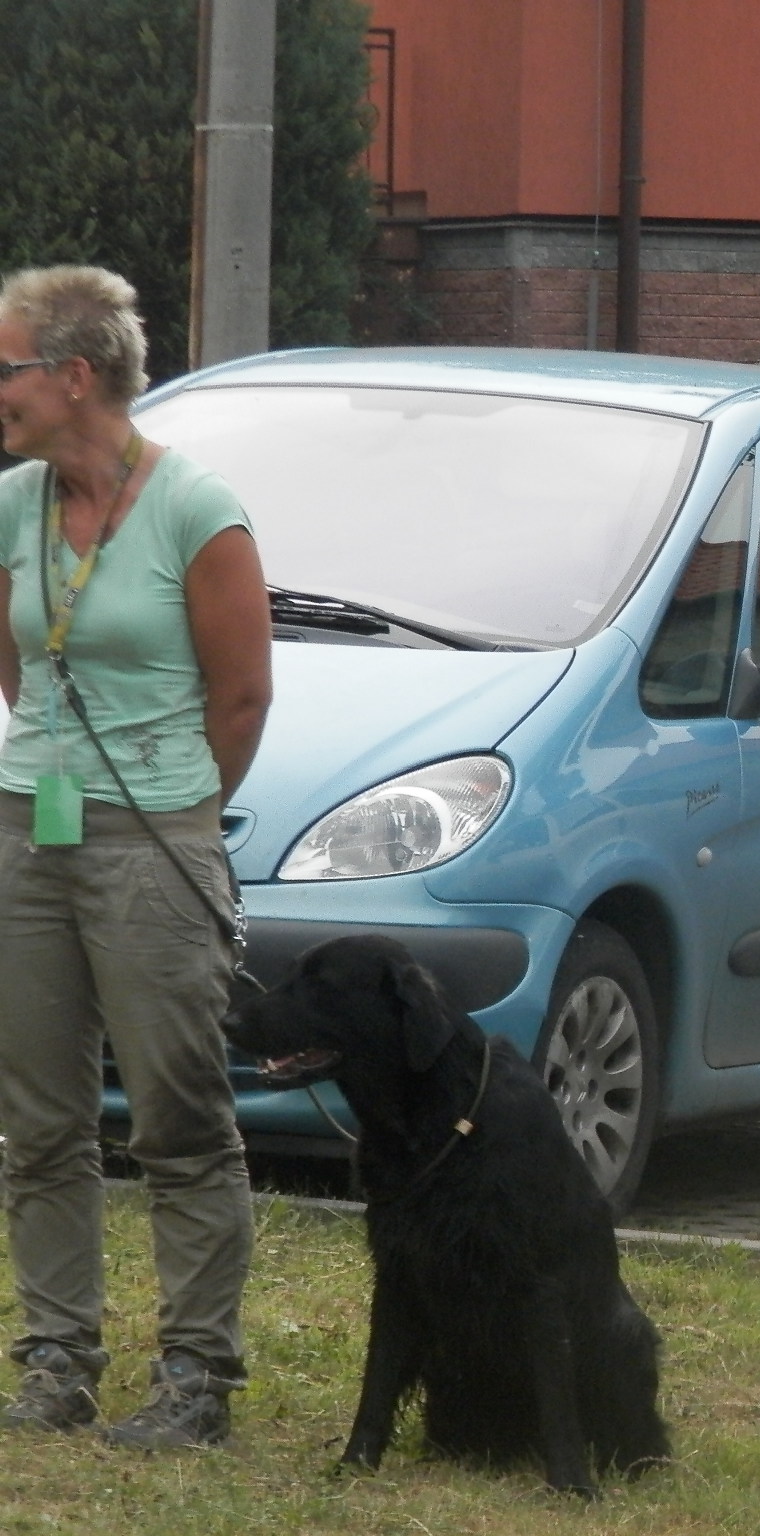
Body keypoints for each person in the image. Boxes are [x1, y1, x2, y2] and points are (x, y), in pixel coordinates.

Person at [0, 266, 271, 1446]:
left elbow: (244, 696)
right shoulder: (11, 503)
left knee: (176, 1115)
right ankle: (57, 1359)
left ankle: (196, 1379)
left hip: (153, 844)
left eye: (6, 367)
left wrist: (172, 820)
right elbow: (15, 670)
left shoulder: (196, 511)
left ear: (73, 374)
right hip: (26, 828)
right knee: (41, 1119)